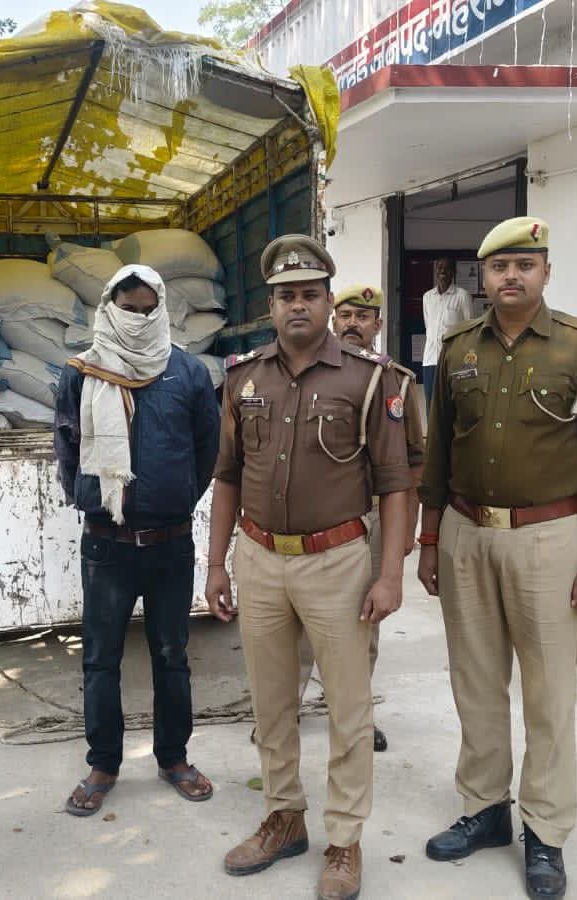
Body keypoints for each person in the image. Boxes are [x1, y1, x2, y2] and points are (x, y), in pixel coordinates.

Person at [417, 216, 577, 899]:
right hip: (465, 533)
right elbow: (438, 454)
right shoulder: (456, 346)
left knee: (548, 693)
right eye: (499, 266)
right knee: (475, 681)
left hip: (550, 538)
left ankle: (545, 830)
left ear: (546, 271)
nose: (512, 276)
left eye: (525, 264)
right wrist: (428, 540)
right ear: (483, 276)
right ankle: (484, 810)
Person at [206, 236, 412, 900]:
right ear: (270, 306)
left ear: (328, 302)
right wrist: (216, 563)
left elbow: (396, 484)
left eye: (310, 294)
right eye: (286, 295)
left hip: (338, 562)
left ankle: (344, 839)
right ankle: (283, 816)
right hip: (259, 557)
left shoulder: (369, 377)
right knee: (271, 704)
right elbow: (227, 476)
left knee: (349, 709)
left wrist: (389, 573)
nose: (298, 305)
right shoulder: (243, 378)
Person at [53, 263, 221, 816]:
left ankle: (174, 758)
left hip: (171, 543)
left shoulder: (188, 372)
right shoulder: (82, 373)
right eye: (129, 308)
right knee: (100, 660)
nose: (140, 318)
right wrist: (97, 498)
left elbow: (207, 449)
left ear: (163, 309)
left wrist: (173, 497)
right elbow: (67, 448)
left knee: (172, 655)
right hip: (106, 546)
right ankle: (103, 764)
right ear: (109, 307)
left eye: (150, 309)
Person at [291, 283, 426, 753]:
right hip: (317, 513)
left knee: (363, 619)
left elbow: (414, 463)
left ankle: (354, 713)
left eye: (363, 317)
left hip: (372, 516)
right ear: (334, 318)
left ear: (378, 325)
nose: (353, 324)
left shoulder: (397, 382)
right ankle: (283, 709)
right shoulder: (310, 372)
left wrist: (406, 529)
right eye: (346, 315)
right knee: (298, 620)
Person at [421, 257, 476, 406]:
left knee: (452, 403)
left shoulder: (462, 296)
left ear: (453, 272)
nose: (443, 271)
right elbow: (428, 326)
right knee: (431, 404)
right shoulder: (427, 297)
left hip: (453, 359)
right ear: (436, 271)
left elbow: (469, 328)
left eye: (447, 268)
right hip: (430, 359)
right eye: (440, 268)